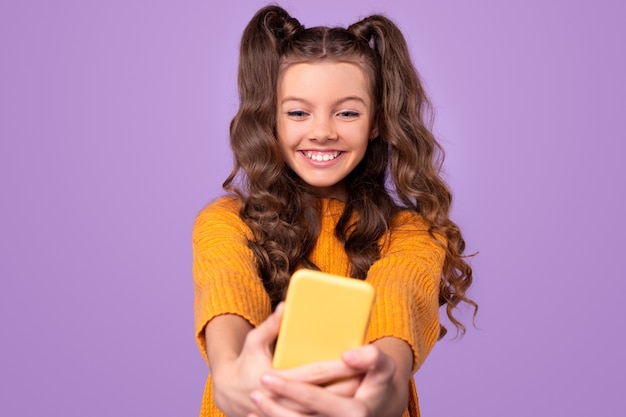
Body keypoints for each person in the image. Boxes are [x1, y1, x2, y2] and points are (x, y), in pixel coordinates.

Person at [192, 4, 477, 417]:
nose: (323, 131)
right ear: (272, 118)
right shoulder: (226, 222)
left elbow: (398, 302)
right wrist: (231, 370)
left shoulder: (413, 234)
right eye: (297, 112)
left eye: (347, 112)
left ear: (376, 121)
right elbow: (227, 287)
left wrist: (384, 386)